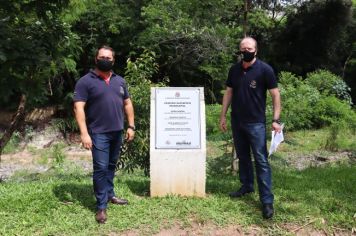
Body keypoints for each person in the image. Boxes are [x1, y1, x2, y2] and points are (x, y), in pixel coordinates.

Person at [219, 37, 281, 219]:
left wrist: (276, 119)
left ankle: (267, 201)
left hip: (256, 124)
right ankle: (246, 186)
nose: (246, 50)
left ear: (256, 50)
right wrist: (223, 115)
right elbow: (229, 92)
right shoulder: (234, 70)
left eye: (250, 48)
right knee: (243, 157)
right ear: (240, 50)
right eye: (243, 48)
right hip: (237, 122)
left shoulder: (265, 70)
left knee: (261, 160)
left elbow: (275, 95)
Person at [73, 45, 135, 224]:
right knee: (100, 168)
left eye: (108, 58)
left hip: (117, 132)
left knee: (110, 165)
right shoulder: (85, 81)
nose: (105, 60)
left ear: (113, 61)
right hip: (98, 133)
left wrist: (131, 126)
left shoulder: (120, 81)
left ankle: (110, 195)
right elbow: (78, 107)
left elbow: (128, 104)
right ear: (95, 59)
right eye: (102, 57)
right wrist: (84, 133)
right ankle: (101, 206)